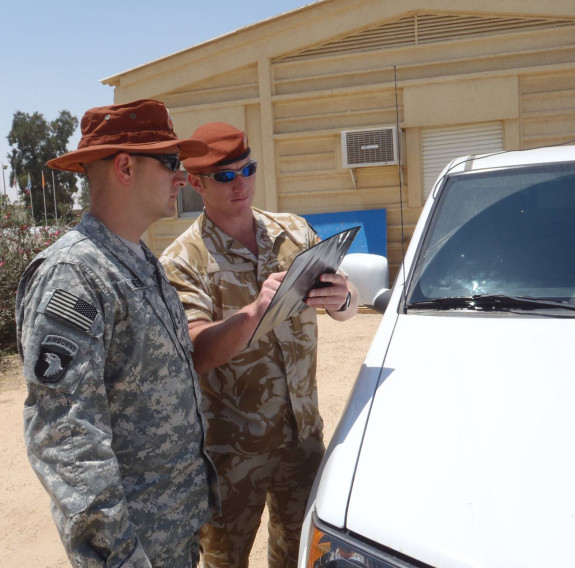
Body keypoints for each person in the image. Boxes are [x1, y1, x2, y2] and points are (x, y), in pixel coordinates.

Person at [15, 99, 218, 568]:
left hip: (174, 532)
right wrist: (118, 556)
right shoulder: (74, 275)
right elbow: (67, 436)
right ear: (125, 167)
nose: (183, 177)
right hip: (135, 549)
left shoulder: (141, 261)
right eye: (171, 163)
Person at [159, 122, 359, 568]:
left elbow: (346, 309)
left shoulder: (292, 231)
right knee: (224, 560)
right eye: (225, 177)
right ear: (196, 182)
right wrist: (254, 312)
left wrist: (343, 298)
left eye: (247, 170)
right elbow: (196, 352)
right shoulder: (181, 261)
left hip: (303, 436)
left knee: (300, 553)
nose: (241, 184)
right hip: (232, 453)